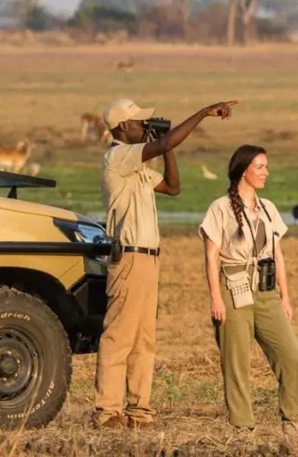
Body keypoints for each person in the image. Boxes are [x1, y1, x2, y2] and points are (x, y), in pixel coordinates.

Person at [93, 97, 236, 429]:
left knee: (144, 339)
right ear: (121, 127)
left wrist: (165, 147)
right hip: (128, 257)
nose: (145, 125)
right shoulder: (117, 158)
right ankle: (106, 411)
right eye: (140, 122)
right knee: (119, 336)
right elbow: (166, 142)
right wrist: (201, 113)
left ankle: (138, 410)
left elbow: (173, 187)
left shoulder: (138, 168)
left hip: (148, 259)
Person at [200, 144, 298, 436]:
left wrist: (286, 296)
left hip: (266, 287)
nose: (265, 173)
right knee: (236, 361)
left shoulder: (268, 208)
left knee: (291, 355)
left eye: (266, 167)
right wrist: (215, 298)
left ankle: (294, 418)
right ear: (243, 170)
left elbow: (278, 254)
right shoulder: (219, 208)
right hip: (233, 286)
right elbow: (210, 256)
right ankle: (242, 425)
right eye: (260, 167)